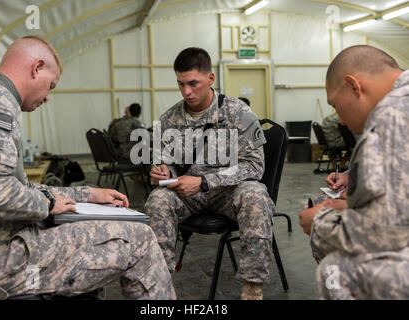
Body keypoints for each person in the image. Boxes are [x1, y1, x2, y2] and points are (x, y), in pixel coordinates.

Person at [0, 36, 175, 300]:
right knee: (140, 239)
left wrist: (87, 194)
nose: (48, 97)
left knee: (100, 231)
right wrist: (48, 204)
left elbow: (15, 188)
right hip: (1, 266)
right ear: (36, 67)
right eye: (50, 85)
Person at [144, 47, 274, 300]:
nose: (187, 92)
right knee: (157, 200)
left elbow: (254, 167)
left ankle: (252, 288)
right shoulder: (170, 118)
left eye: (193, 83)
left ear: (210, 79)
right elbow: (165, 163)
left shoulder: (238, 113)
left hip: (227, 193)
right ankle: (161, 287)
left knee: (255, 195)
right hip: (187, 195)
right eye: (181, 84)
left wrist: (204, 182)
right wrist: (162, 172)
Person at [299, 45, 409, 299]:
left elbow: (386, 236)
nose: (339, 119)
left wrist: (320, 222)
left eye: (335, 104)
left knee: (337, 271)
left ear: (353, 86)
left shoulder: (391, 116)